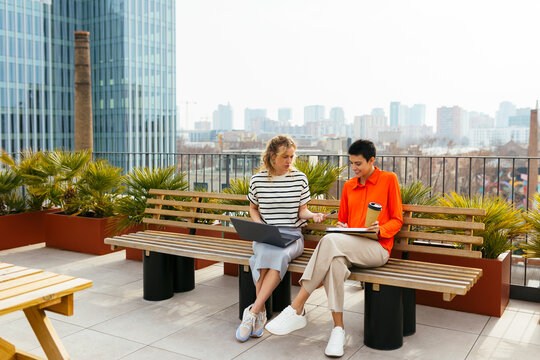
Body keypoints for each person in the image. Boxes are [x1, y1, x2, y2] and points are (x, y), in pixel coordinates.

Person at [265, 139, 403, 358]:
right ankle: (338, 329)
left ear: (372, 161)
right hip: (348, 247)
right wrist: (342, 226)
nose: (354, 168)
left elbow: (397, 219)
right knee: (335, 265)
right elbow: (343, 221)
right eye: (352, 164)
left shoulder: (388, 180)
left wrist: (382, 228)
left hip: (377, 248)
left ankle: (297, 306)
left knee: (329, 242)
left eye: (358, 164)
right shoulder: (349, 186)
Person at [236, 135, 327, 342]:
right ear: (272, 156)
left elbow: (302, 211)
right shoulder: (257, 180)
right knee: (265, 253)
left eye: (292, 157)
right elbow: (252, 208)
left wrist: (314, 216)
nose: (289, 161)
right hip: (266, 235)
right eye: (285, 156)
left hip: (292, 237)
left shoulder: (299, 178)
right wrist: (259, 226)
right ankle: (259, 316)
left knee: (275, 256)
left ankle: (252, 313)